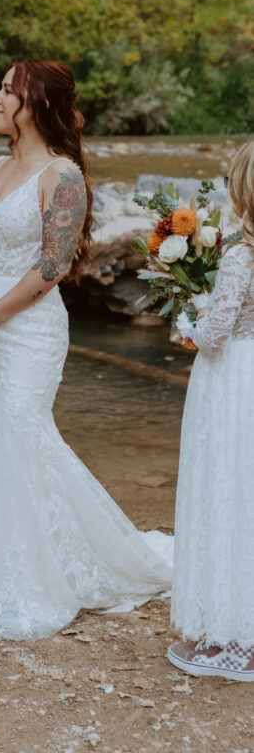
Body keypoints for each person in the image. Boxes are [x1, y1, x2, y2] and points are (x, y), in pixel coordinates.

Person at [0, 60, 172, 640]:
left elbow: (55, 264)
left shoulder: (61, 175)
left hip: (27, 330)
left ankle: (31, 581)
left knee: (19, 434)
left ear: (37, 104)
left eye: (7, 91)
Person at [168, 140, 254, 682]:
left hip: (233, 385)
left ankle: (233, 640)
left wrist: (189, 325)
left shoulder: (243, 252)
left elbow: (218, 333)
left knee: (228, 493)